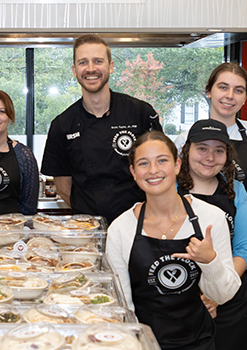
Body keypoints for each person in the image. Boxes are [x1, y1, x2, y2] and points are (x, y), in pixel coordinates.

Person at [174, 62, 247, 348]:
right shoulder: (182, 138)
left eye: (238, 90)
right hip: (194, 257)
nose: (229, 95)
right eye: (222, 87)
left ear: (246, 97)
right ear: (209, 91)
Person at [106, 131, 241, 350]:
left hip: (198, 341)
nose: (153, 171)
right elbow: (123, 307)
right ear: (133, 172)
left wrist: (210, 261)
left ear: (177, 165)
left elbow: (223, 296)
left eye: (162, 161)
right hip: (143, 343)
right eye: (143, 163)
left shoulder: (210, 218)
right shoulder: (121, 230)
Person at [42, 34, 162, 225]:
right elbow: (63, 188)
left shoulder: (140, 113)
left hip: (140, 226)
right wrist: (89, 218)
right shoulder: (62, 125)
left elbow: (160, 170)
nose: (91, 69)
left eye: (98, 61)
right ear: (74, 70)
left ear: (111, 66)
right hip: (89, 230)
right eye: (83, 62)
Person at [177, 119, 247, 350]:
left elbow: (244, 249)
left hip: (228, 299)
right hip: (181, 298)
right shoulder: (170, 190)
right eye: (202, 148)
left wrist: (217, 292)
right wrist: (200, 294)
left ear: (227, 155)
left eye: (218, 150)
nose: (210, 157)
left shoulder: (237, 191)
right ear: (187, 150)